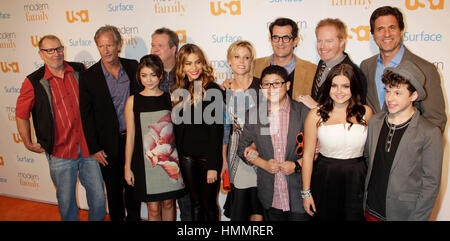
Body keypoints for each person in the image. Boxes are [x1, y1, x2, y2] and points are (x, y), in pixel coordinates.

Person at [15, 35, 106, 221]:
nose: (56, 54)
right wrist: (27, 142)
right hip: (59, 152)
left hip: (89, 149)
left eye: (59, 49)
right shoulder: (33, 81)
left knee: (98, 199)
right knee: (66, 203)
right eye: (50, 50)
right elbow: (21, 114)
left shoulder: (80, 70)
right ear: (41, 54)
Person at [364, 61, 443, 221]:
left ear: (414, 96)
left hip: (403, 214)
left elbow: (431, 184)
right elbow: (368, 159)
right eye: (387, 91)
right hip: (371, 209)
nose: (390, 98)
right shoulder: (375, 121)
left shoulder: (429, 132)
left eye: (398, 93)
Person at [79, 25, 141, 221]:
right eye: (101, 46)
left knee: (133, 188)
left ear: (119, 45)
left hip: (133, 140)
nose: (105, 50)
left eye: (109, 45)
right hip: (107, 145)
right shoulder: (89, 76)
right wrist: (94, 147)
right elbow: (86, 115)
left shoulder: (133, 67)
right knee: (114, 192)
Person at [237, 65, 311, 221]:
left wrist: (296, 165)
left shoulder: (303, 112)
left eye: (277, 83)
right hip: (270, 195)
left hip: (299, 193)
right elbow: (242, 148)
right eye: (266, 84)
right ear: (261, 87)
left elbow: (317, 151)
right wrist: (263, 164)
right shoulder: (254, 114)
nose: (271, 88)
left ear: (287, 85)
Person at [301, 63, 373, 221]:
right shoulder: (315, 115)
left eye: (345, 86)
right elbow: (307, 156)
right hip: (325, 178)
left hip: (357, 179)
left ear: (353, 87)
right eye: (334, 85)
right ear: (328, 87)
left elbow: (372, 153)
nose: (339, 91)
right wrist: (306, 193)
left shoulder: (366, 113)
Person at [360, 6, 446, 132]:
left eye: (392, 27)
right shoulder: (366, 66)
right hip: (373, 148)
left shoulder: (425, 69)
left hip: (410, 149)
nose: (387, 34)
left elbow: (435, 121)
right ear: (373, 35)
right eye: (380, 29)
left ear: (401, 30)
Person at [124, 54, 186, 221]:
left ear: (160, 76)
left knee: (168, 204)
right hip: (145, 164)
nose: (148, 80)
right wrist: (127, 166)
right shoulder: (132, 101)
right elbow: (130, 136)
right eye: (144, 75)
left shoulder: (170, 98)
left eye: (153, 75)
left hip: (169, 161)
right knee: (152, 209)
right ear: (139, 76)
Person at [171, 44, 224, 221]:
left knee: (209, 205)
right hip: (186, 159)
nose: (194, 68)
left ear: (203, 64)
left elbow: (216, 133)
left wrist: (212, 166)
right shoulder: (178, 90)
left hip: (206, 159)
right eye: (188, 64)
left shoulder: (212, 89)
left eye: (197, 62)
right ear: (181, 66)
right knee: (195, 204)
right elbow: (178, 131)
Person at [151, 27, 192, 221]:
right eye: (153, 45)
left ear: (174, 48)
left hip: (184, 148)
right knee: (162, 201)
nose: (154, 49)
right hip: (159, 149)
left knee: (186, 202)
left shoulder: (188, 74)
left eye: (159, 45)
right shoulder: (148, 75)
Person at [221, 40, 263, 221]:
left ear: (251, 61)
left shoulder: (262, 86)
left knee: (258, 207)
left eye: (246, 57)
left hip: (260, 150)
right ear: (229, 60)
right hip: (234, 153)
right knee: (240, 207)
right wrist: (222, 159)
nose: (241, 61)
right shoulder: (223, 90)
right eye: (237, 57)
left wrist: (256, 146)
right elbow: (223, 129)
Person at [298, 18, 367, 109]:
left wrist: (316, 107)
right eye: (319, 41)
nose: (322, 46)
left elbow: (355, 112)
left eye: (329, 41)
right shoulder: (322, 64)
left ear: (342, 42)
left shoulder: (354, 73)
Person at [253, 17, 316, 100]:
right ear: (270, 40)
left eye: (286, 38)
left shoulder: (312, 71)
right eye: (276, 37)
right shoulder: (254, 67)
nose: (280, 43)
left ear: (295, 41)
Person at [151, 27, 178, 93]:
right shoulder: (146, 74)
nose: (155, 49)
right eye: (153, 45)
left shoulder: (186, 72)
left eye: (160, 46)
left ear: (173, 49)